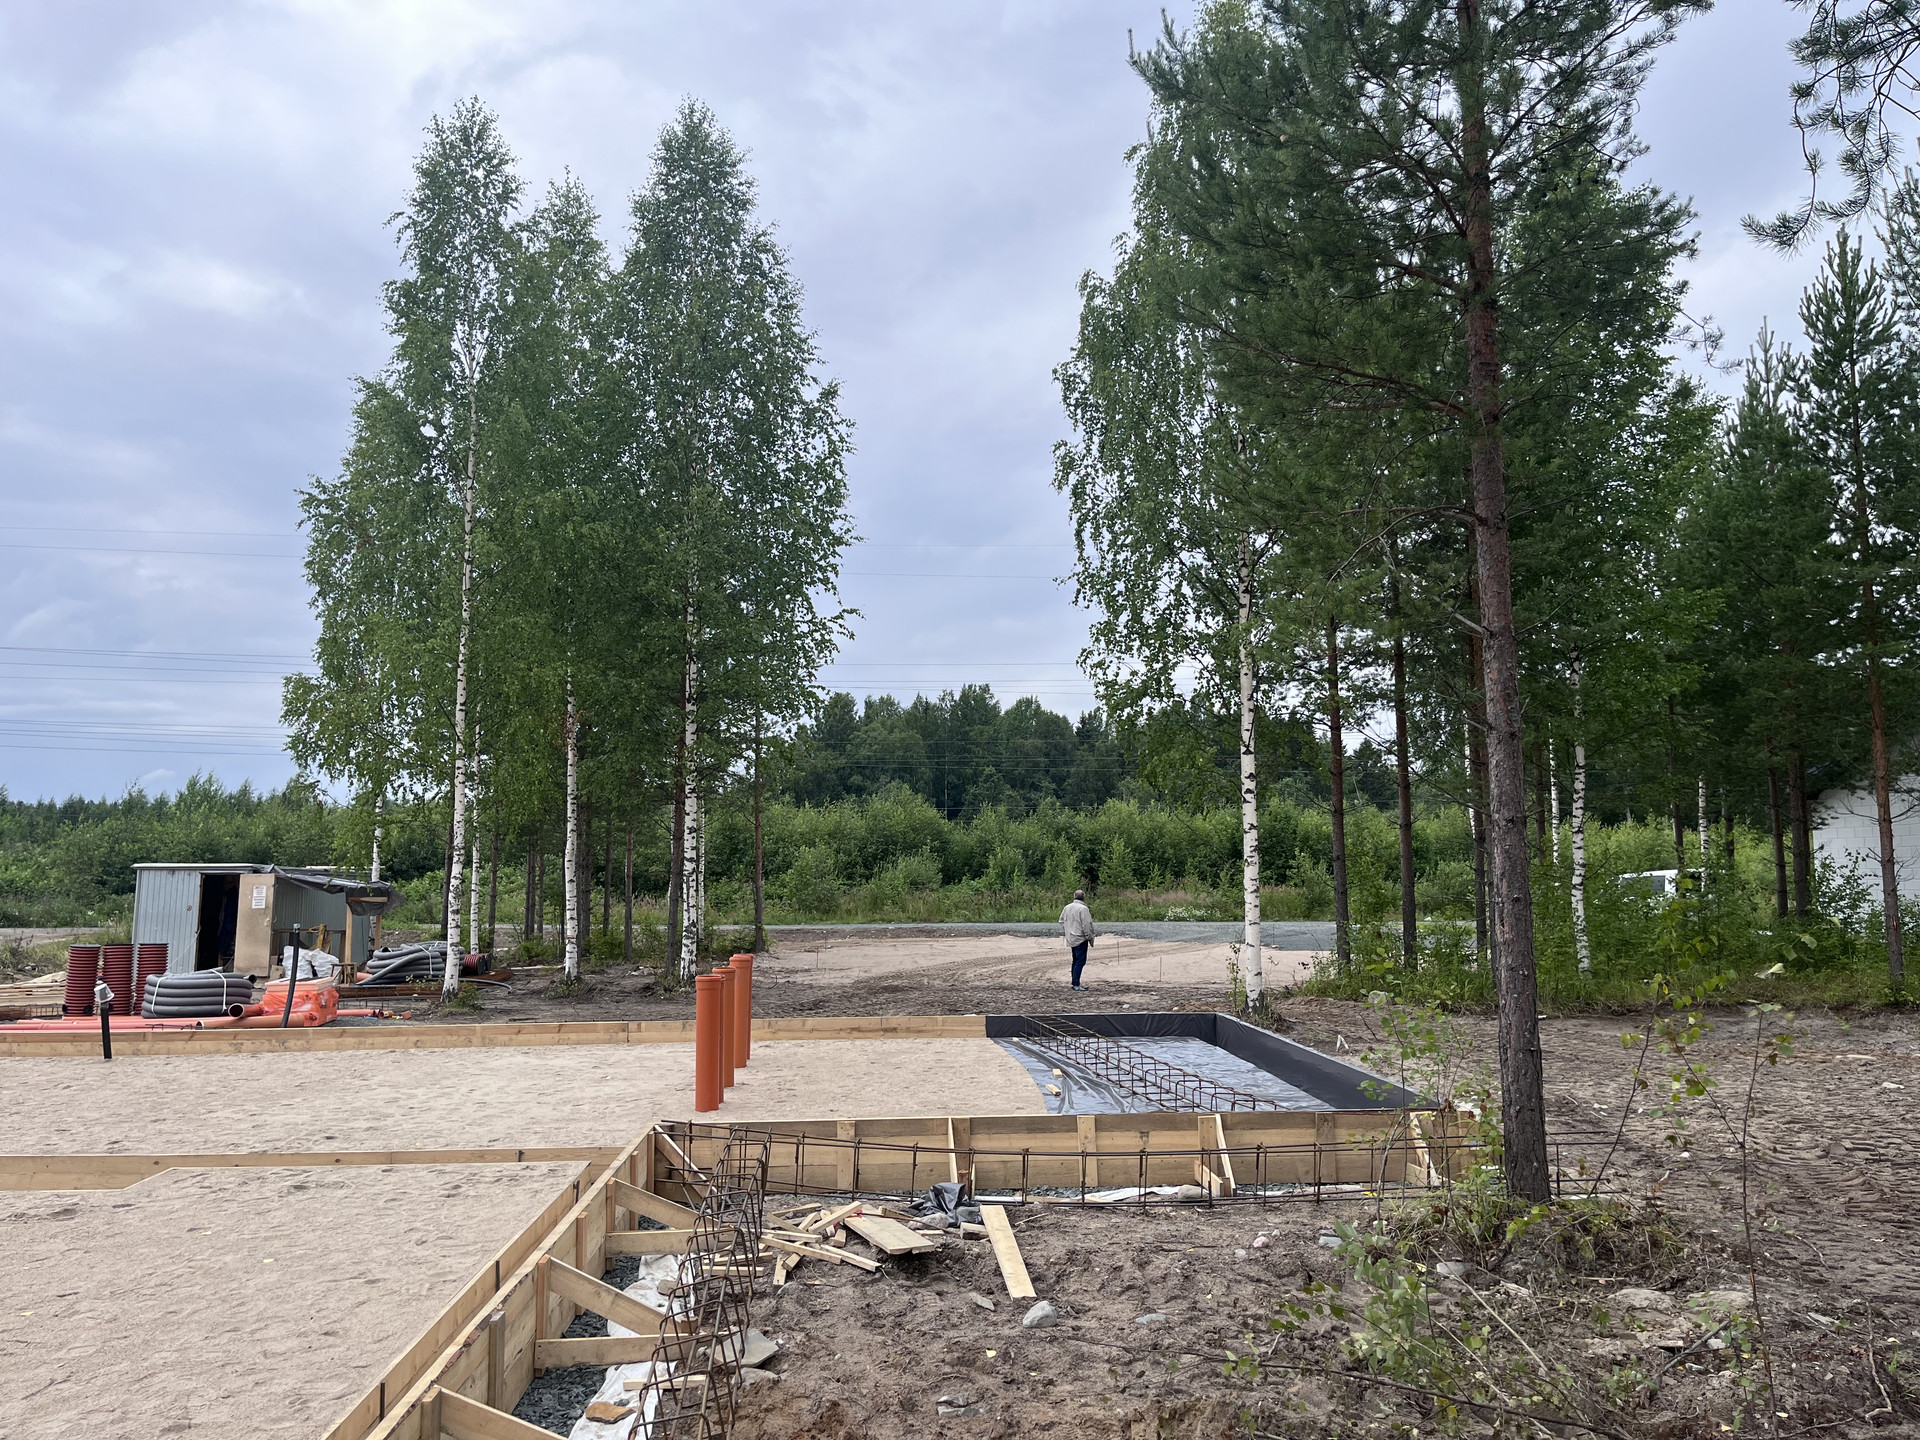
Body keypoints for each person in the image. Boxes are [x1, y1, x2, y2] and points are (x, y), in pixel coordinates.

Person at [1060, 888, 1095, 991]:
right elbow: (1086, 925)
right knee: (1080, 961)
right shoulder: (1083, 909)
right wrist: (1088, 937)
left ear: (1074, 897)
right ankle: (1076, 984)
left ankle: (1075, 982)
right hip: (1080, 938)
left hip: (1071, 938)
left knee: (1075, 961)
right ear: (1083, 897)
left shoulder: (1067, 907)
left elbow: (1061, 921)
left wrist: (1068, 930)